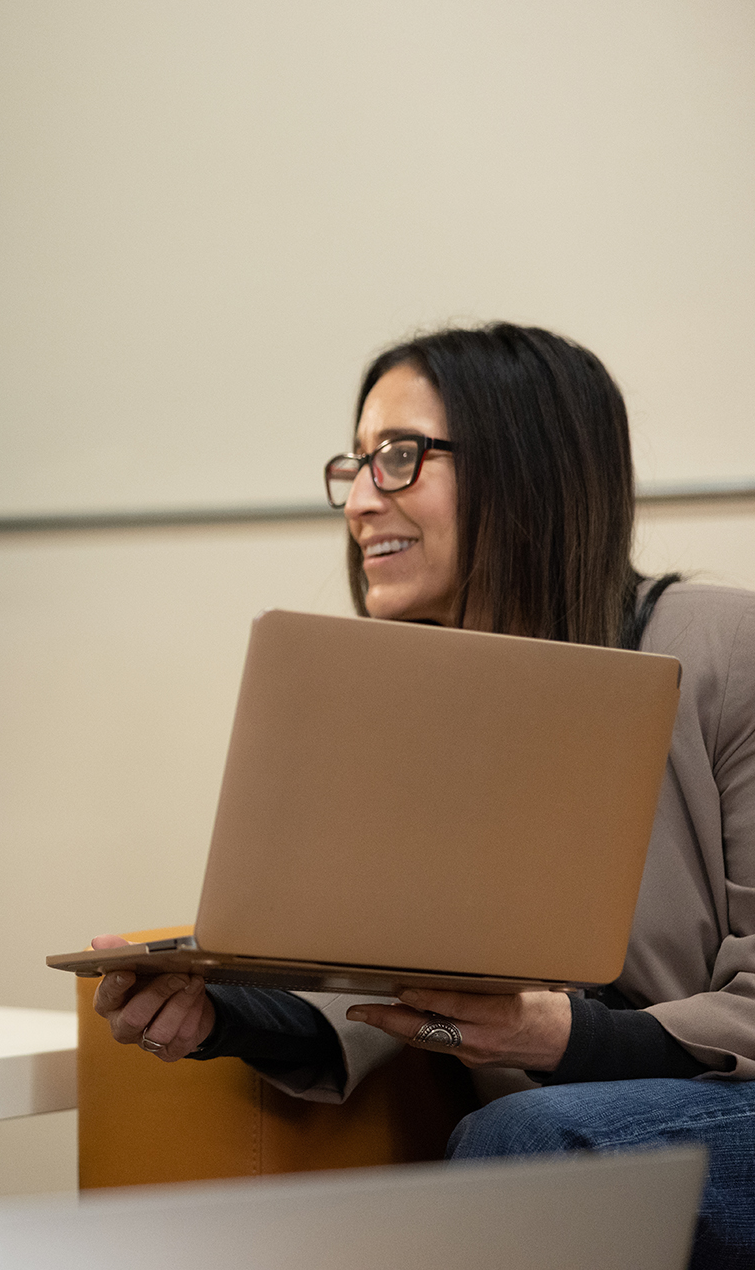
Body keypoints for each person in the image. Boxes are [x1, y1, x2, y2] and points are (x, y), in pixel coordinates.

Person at [92, 323, 755, 1269]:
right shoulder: (405, 708)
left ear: (530, 468)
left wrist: (569, 1036)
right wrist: (219, 1009)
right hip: (548, 1132)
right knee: (527, 1142)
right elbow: (381, 988)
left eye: (400, 458)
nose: (362, 501)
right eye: (356, 465)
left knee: (526, 1143)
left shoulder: (729, 649)